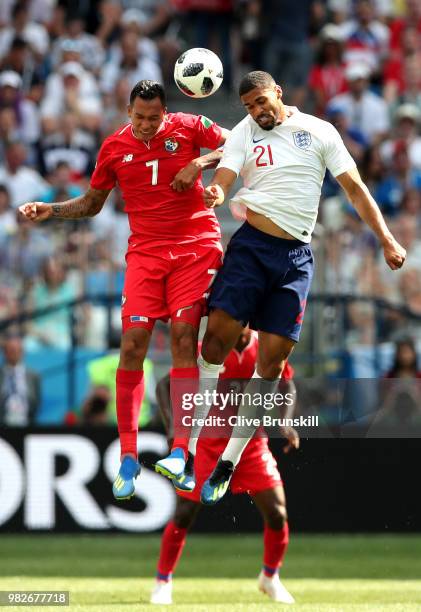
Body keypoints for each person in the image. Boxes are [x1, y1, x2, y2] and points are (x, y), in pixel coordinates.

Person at [174, 70, 406, 505]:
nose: (257, 111)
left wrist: (387, 239)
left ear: (278, 93)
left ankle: (228, 460)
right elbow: (225, 174)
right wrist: (218, 194)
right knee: (215, 344)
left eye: (261, 101)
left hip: (295, 259)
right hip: (250, 250)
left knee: (273, 364)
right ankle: (186, 451)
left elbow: (355, 190)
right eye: (249, 106)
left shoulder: (318, 131)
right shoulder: (244, 131)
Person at [19, 79, 228, 500]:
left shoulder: (189, 126)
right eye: (139, 117)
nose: (147, 125)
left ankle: (180, 454)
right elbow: (93, 202)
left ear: (165, 113)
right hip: (146, 255)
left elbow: (238, 142)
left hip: (194, 248)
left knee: (184, 338)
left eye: (154, 118)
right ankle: (129, 459)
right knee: (133, 345)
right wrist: (52, 210)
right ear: (128, 112)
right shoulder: (114, 146)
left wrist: (200, 165)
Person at [151, 328, 298, 605]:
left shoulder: (264, 345)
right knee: (183, 513)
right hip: (208, 443)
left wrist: (286, 420)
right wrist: (174, 426)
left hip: (250, 443)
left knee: (278, 513)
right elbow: (164, 385)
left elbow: (286, 383)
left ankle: (270, 577)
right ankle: (162, 581)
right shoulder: (210, 347)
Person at [0, 334, 40, 426]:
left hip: (26, 423)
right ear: (5, 353)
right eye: (11, 350)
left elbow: (37, 402)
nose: (14, 353)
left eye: (16, 350)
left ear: (22, 352)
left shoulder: (33, 375)